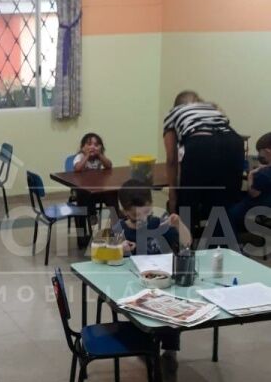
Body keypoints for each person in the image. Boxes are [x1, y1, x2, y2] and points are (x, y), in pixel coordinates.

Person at [114, 179, 192, 360]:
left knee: (172, 308)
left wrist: (178, 225)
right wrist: (118, 249)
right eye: (135, 216)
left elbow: (187, 243)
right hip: (135, 286)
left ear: (150, 205)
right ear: (125, 211)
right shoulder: (119, 230)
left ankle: (170, 350)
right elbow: (102, 254)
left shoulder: (158, 224)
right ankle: (146, 345)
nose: (141, 219)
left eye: (145, 213)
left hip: (162, 282)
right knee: (144, 316)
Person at [163, 90, 245, 234]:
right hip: (235, 143)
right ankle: (224, 243)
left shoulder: (173, 113)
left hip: (200, 143)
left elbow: (171, 159)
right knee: (225, 202)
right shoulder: (212, 108)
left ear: (177, 105)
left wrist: (173, 196)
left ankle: (185, 242)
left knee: (187, 203)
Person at [72, 132, 112, 247]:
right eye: (89, 144)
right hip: (82, 190)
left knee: (111, 193)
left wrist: (100, 155)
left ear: (101, 147)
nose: (92, 147)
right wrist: (86, 156)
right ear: (82, 147)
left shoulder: (99, 157)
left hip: (97, 190)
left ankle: (116, 216)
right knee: (85, 195)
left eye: (96, 145)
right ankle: (90, 218)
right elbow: (77, 168)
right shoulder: (80, 157)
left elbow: (109, 165)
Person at [228, 132, 271, 233]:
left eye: (260, 152)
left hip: (258, 210)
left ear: (267, 151)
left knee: (229, 213)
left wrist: (251, 174)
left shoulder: (263, 174)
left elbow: (253, 193)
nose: (259, 155)